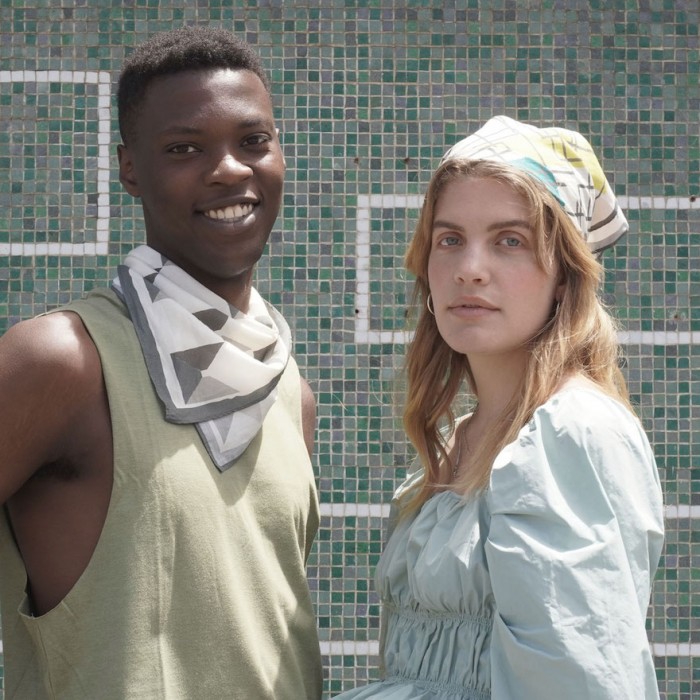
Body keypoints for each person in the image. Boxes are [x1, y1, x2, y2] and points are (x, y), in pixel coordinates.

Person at [0, 27, 322, 699]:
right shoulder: (63, 360)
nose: (229, 169)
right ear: (130, 171)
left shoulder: (289, 390)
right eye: (184, 148)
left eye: (253, 141)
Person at [335, 115, 664, 699]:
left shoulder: (571, 433)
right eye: (449, 239)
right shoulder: (459, 440)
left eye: (510, 240)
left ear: (564, 275)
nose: (469, 269)